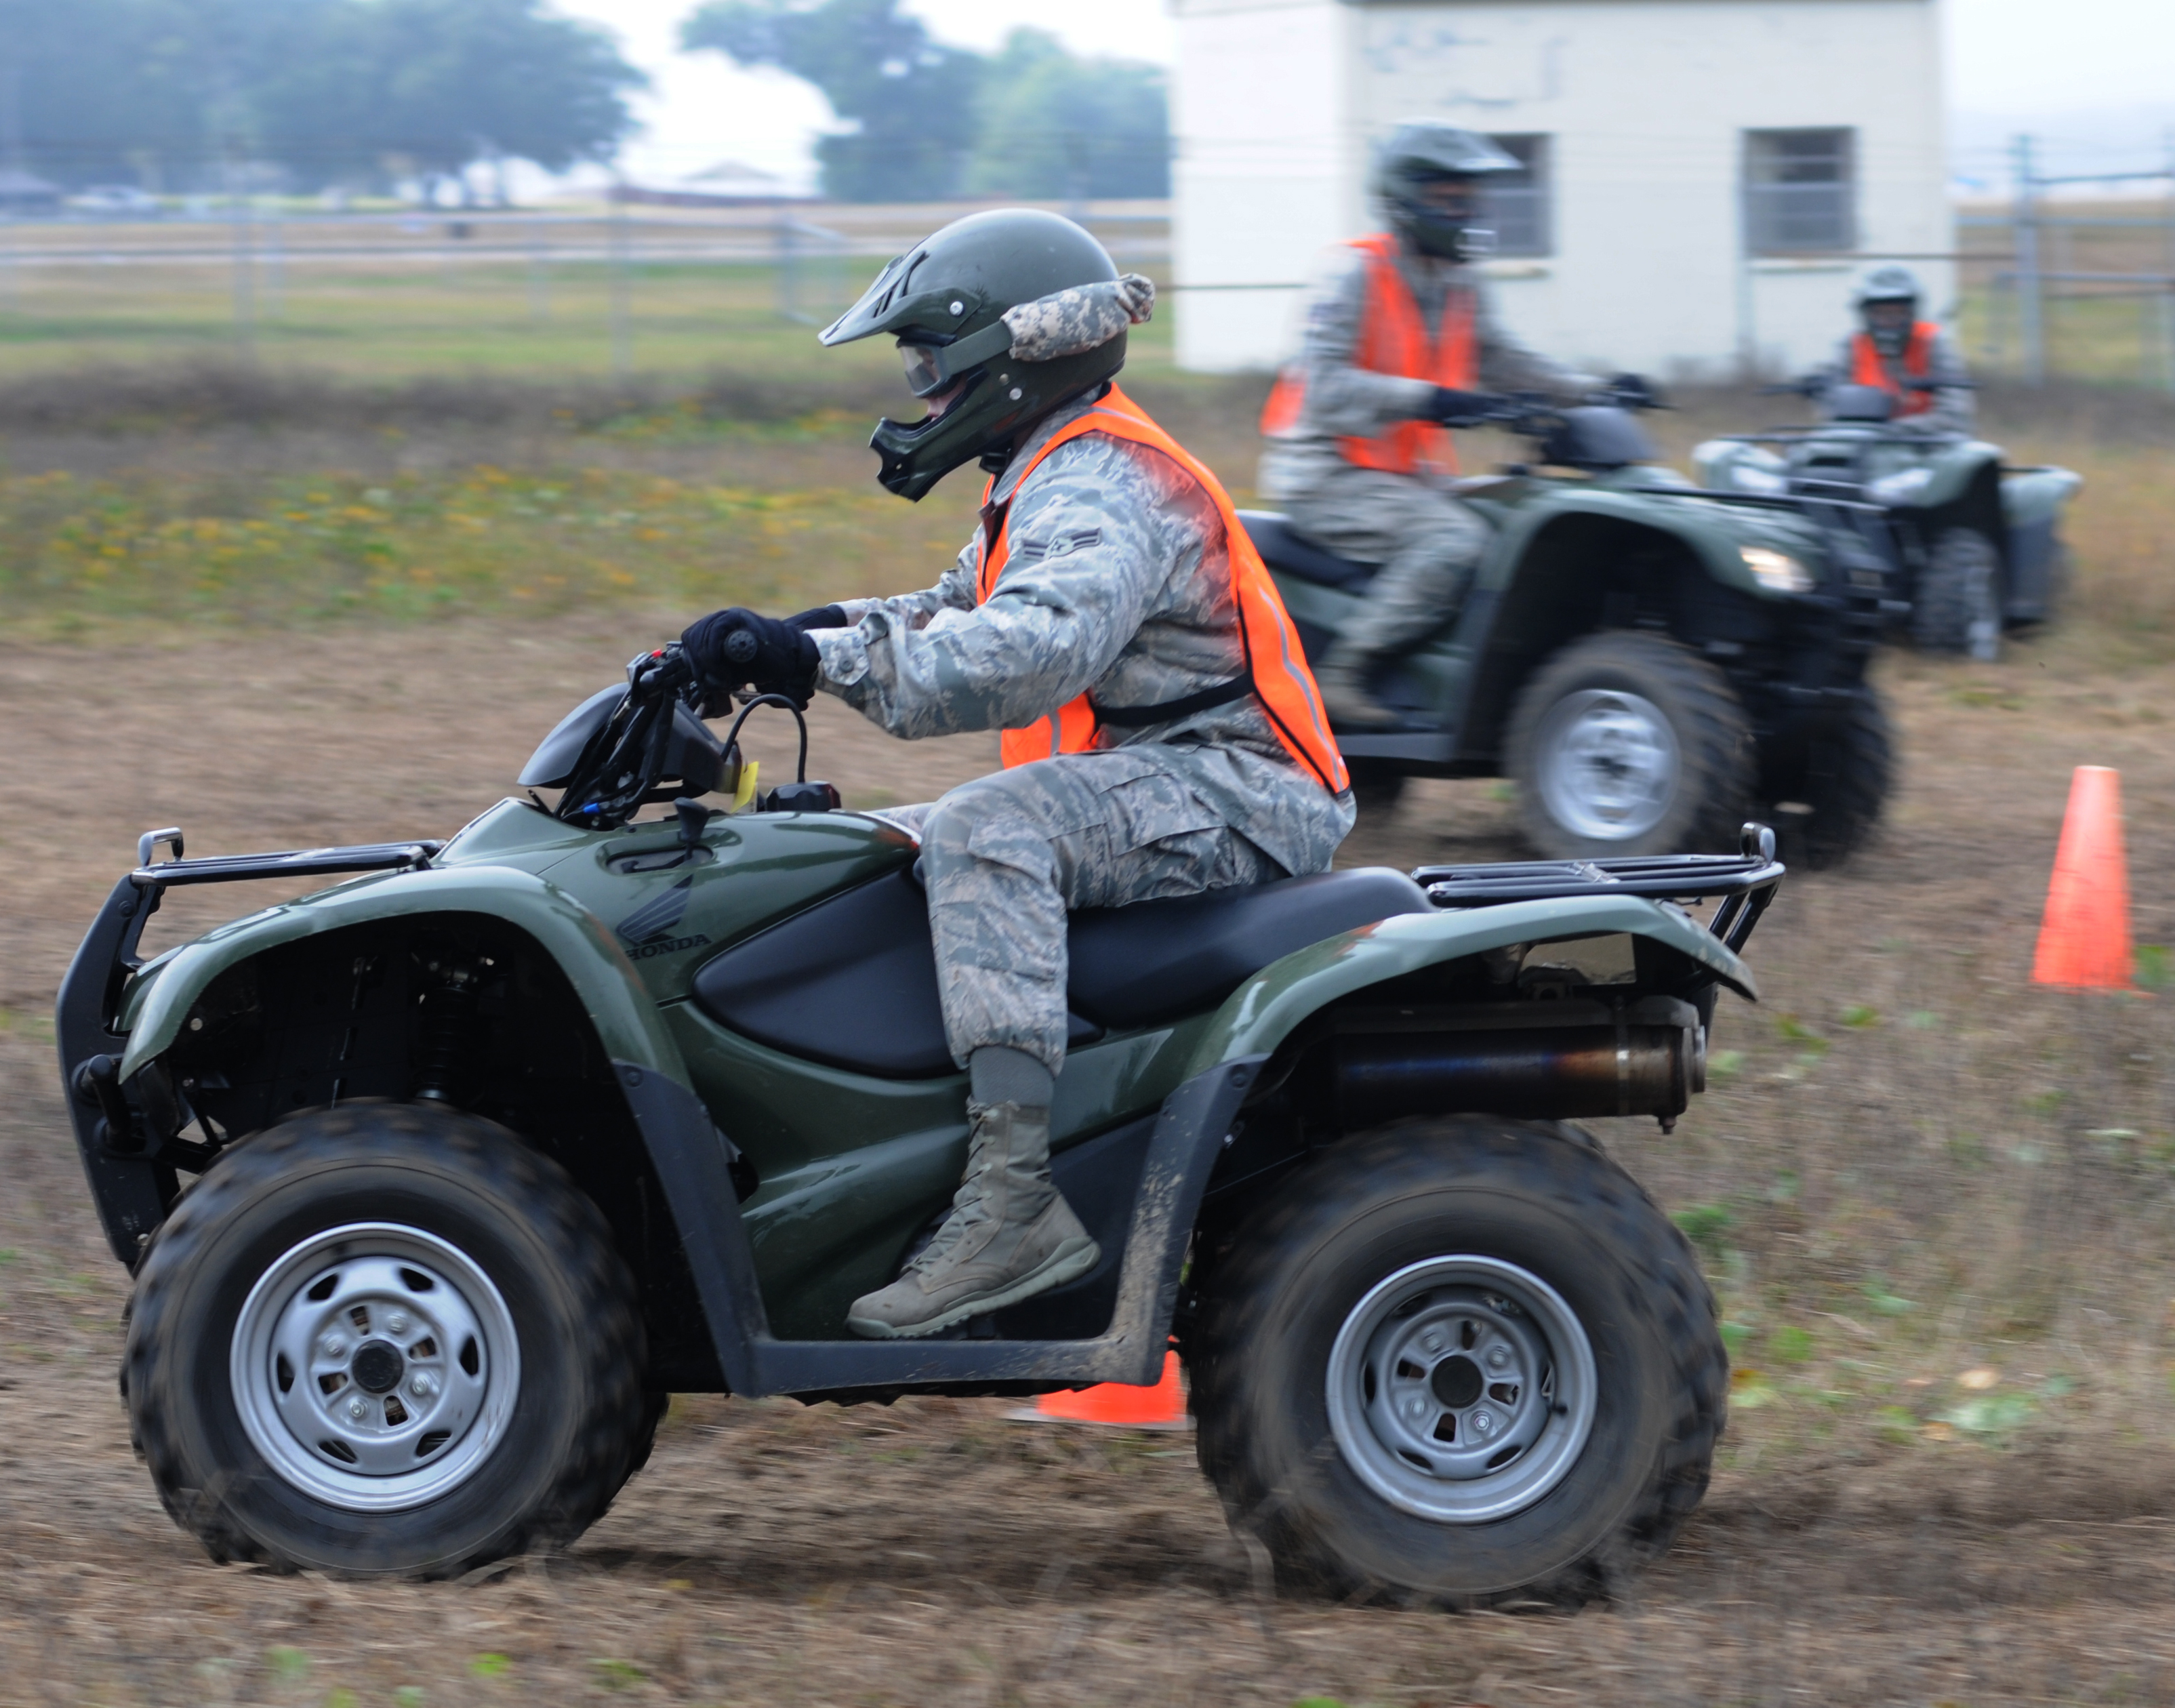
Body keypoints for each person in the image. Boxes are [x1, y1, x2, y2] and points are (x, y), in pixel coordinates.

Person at [676, 208, 1354, 1341]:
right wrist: (794, 634)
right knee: (857, 845)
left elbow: (1018, 658)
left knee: (986, 830)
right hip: (1165, 772)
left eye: (932, 364)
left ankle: (1010, 1202)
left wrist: (818, 659)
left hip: (1244, 790)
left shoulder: (1101, 485)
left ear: (1014, 355)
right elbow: (952, 607)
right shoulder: (1050, 464)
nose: (921, 391)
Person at [1258, 120, 1594, 731]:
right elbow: (1325, 386)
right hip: (1325, 472)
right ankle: (1344, 674)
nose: (1466, 210)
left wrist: (1595, 391)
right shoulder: (1350, 274)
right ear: (1402, 197)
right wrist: (1433, 401)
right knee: (1453, 542)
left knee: (1521, 515)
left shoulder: (1458, 279)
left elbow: (1501, 356)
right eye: (1449, 197)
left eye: (1470, 197)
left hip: (1404, 475)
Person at [1820, 264, 1973, 429]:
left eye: (1899, 312)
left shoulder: (1934, 342)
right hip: (1865, 441)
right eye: (1880, 313)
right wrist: (1821, 392)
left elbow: (1955, 413)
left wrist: (1897, 429)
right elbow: (1833, 412)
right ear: (1865, 315)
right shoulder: (1851, 346)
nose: (1889, 321)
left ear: (1912, 313)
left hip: (1928, 444)